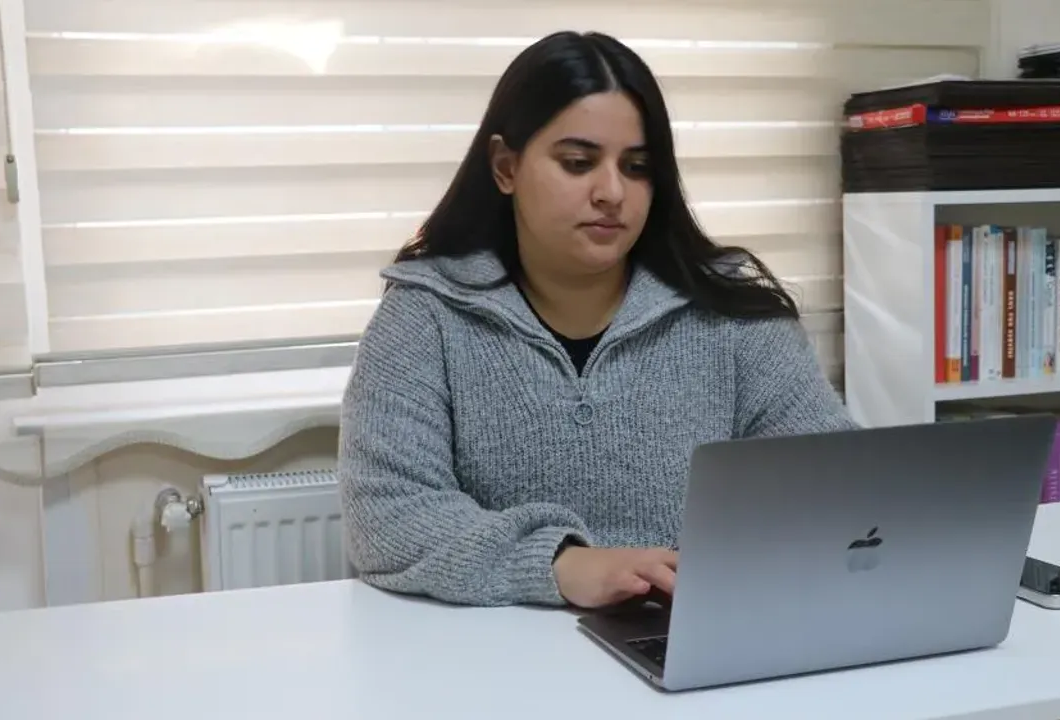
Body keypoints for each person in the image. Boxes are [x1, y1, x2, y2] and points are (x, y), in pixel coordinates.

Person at [337, 30, 857, 610]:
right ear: (506, 167)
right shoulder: (424, 314)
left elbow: (836, 484)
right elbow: (387, 513)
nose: (612, 192)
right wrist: (560, 565)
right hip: (495, 646)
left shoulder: (731, 311)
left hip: (687, 633)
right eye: (579, 163)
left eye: (637, 167)